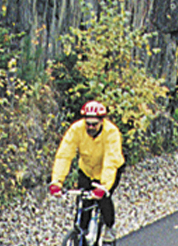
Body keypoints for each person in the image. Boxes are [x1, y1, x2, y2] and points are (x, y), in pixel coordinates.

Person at [48, 100, 125, 238]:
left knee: (103, 200)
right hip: (87, 170)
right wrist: (57, 182)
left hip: (109, 170)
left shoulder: (111, 132)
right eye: (87, 123)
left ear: (102, 121)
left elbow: (110, 161)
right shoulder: (76, 129)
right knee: (83, 206)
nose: (90, 127)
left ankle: (109, 226)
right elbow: (64, 155)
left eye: (94, 124)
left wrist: (103, 186)